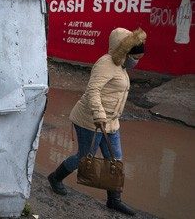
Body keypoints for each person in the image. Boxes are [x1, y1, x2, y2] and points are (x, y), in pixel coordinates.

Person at [47, 27, 147, 216]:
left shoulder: (121, 66)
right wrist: (99, 115)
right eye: (136, 57)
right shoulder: (105, 63)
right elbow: (93, 91)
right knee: (85, 158)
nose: (137, 61)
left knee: (115, 160)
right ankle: (54, 178)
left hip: (111, 122)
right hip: (90, 119)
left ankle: (114, 200)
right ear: (124, 52)